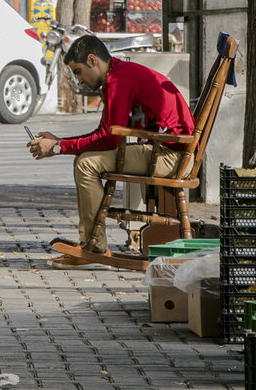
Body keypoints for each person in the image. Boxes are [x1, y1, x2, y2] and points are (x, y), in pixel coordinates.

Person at [28, 34, 194, 264]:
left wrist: (57, 148)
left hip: (171, 156)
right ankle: (92, 242)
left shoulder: (118, 80)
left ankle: (93, 245)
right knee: (86, 159)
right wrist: (59, 141)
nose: (79, 80)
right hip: (171, 151)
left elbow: (108, 139)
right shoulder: (118, 75)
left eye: (78, 71)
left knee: (86, 163)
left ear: (92, 60)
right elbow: (105, 134)